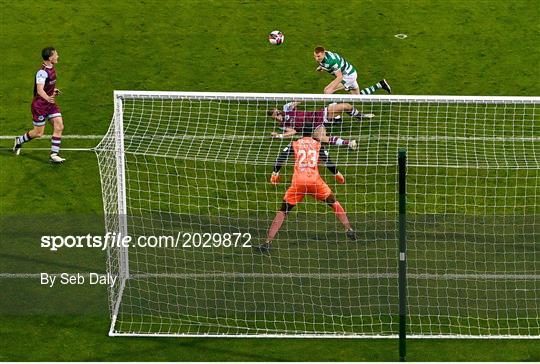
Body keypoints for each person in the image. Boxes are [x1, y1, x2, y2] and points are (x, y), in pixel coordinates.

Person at [255, 134, 357, 254]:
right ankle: (348, 228)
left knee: (283, 211)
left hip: (298, 182)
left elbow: (281, 157)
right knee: (333, 202)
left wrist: (275, 172)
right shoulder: (318, 145)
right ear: (313, 134)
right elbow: (328, 161)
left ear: (301, 133)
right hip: (315, 182)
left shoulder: (294, 143)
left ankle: (268, 242)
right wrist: (337, 174)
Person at [13, 47, 66, 163]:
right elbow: (39, 90)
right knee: (38, 133)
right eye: (56, 54)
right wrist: (48, 98)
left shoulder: (52, 68)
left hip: (50, 105)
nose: (58, 56)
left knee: (59, 126)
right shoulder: (41, 73)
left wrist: (54, 90)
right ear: (50, 57)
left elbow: (47, 87)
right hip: (40, 106)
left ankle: (54, 155)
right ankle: (19, 141)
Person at [268, 101, 373, 150]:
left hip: (320, 114)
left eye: (277, 112)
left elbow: (299, 101)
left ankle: (360, 116)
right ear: (274, 119)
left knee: (346, 106)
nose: (278, 115)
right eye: (276, 116)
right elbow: (293, 132)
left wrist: (296, 102)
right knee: (321, 138)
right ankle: (349, 143)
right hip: (315, 127)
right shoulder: (282, 125)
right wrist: (279, 135)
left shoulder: (286, 109)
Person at [314, 46, 392, 95]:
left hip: (348, 76)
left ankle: (336, 117)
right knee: (358, 97)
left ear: (324, 53)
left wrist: (332, 88)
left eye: (318, 56)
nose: (316, 59)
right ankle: (380, 84)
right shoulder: (325, 56)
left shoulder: (332, 61)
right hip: (350, 72)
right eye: (315, 56)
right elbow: (327, 65)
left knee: (327, 91)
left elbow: (339, 77)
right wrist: (321, 67)